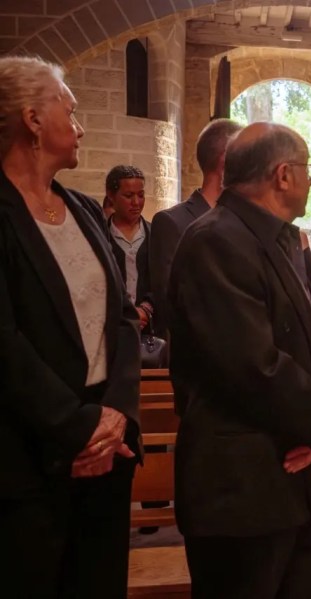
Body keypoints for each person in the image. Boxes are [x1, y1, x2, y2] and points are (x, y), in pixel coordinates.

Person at [168, 122, 311, 599]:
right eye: (307, 169)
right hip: (238, 493)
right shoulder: (214, 240)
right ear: (283, 175)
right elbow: (251, 364)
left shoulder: (283, 239)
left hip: (292, 486)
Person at [0, 55, 141, 598]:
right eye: (70, 109)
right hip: (28, 459)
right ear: (33, 120)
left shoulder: (83, 209)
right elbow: (4, 345)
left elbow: (124, 318)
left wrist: (118, 416)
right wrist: (79, 426)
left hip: (109, 450)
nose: (79, 125)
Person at [149, 118, 242, 339]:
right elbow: (171, 304)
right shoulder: (172, 222)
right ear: (225, 161)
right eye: (246, 157)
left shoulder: (241, 223)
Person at [105, 165, 154, 333]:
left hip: (150, 329)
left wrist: (146, 309)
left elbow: (164, 280)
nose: (136, 202)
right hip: (112, 327)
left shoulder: (155, 234)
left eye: (141, 195)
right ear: (111, 196)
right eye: (128, 196)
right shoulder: (100, 235)